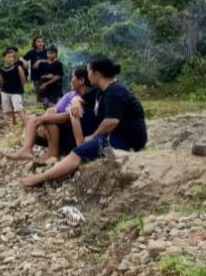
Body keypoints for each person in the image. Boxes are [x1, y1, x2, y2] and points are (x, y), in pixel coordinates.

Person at [22, 58, 146, 188]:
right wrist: (76, 102)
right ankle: (78, 148)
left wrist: (93, 136)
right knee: (76, 115)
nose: (88, 75)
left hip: (125, 141)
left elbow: (112, 121)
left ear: (97, 74)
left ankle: (39, 179)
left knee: (77, 154)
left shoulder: (114, 92)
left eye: (89, 72)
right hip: (113, 135)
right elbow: (81, 98)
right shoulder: (101, 90)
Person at [6, 66, 98, 164]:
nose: (71, 81)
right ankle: (26, 149)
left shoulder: (89, 97)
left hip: (73, 136)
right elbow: (53, 110)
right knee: (36, 117)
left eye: (72, 77)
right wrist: (41, 124)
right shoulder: (70, 95)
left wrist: (43, 120)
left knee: (50, 120)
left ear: (81, 80)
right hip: (60, 132)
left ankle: (53, 153)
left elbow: (69, 117)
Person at [0, 47, 29, 130]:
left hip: (16, 91)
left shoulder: (17, 67)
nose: (11, 59)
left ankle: (28, 128)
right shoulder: (1, 69)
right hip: (5, 91)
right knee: (8, 111)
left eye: (12, 57)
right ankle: (12, 130)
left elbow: (23, 80)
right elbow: (1, 81)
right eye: (9, 57)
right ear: (4, 58)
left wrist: (19, 88)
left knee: (19, 109)